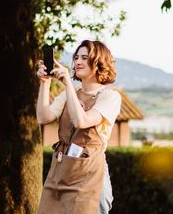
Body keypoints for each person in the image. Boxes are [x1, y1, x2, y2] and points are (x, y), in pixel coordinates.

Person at [36, 40, 122, 214]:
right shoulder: (69, 94)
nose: (78, 62)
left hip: (90, 171)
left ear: (98, 62)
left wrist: (67, 83)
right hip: (62, 168)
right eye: (76, 57)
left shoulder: (110, 97)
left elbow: (82, 121)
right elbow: (43, 117)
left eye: (84, 57)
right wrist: (45, 84)